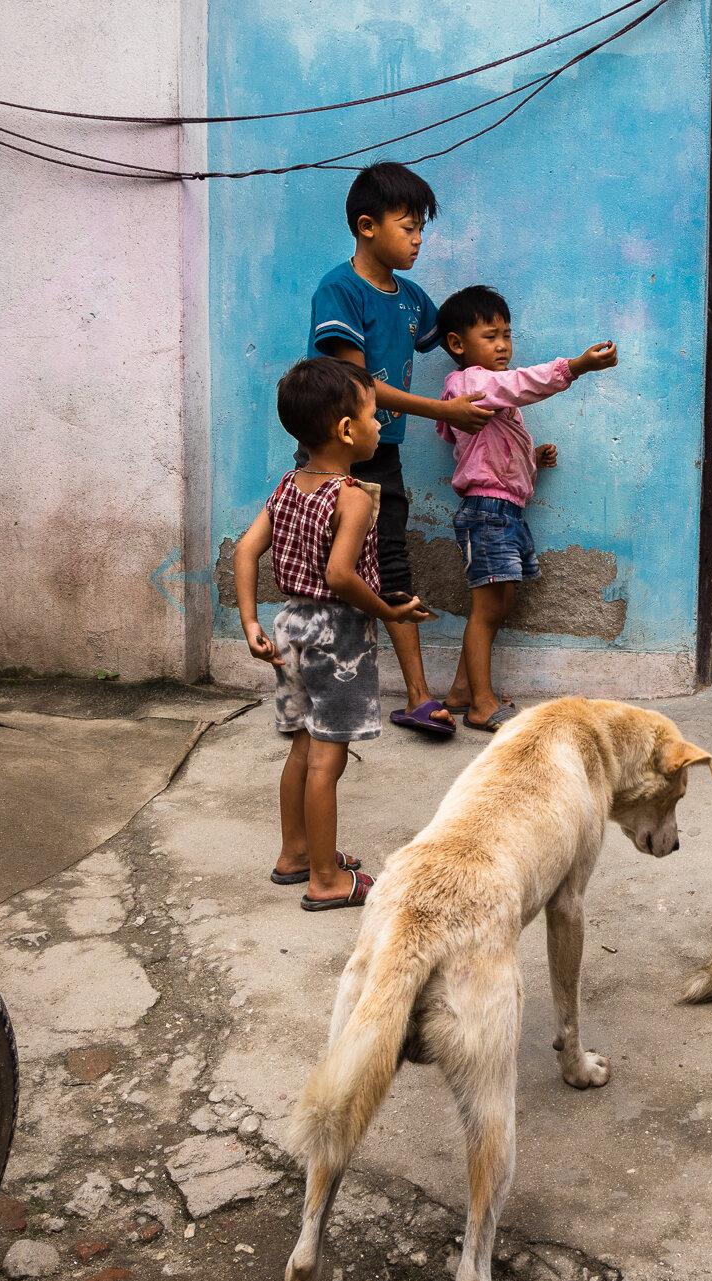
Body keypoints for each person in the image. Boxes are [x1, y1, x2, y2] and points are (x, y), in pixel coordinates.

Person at [234, 357, 436, 909]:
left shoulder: (288, 486)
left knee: (303, 743)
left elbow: (246, 550)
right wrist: (390, 614)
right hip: (338, 637)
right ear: (346, 430)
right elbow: (341, 576)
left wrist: (251, 623)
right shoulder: (351, 496)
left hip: (292, 626)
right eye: (375, 416)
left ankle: (295, 854)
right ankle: (326, 879)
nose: (380, 426)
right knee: (330, 758)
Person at [309, 161, 493, 738]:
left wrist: (502, 361)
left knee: (393, 562)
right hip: (332, 455)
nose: (418, 240)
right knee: (327, 568)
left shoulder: (412, 298)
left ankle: (418, 697)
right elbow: (360, 384)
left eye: (421, 229)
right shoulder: (339, 290)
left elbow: (455, 339)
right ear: (367, 226)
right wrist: (444, 411)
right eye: (408, 228)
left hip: (382, 451)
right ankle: (320, 685)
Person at [430, 285, 619, 731]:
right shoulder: (470, 384)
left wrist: (531, 459)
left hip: (505, 512)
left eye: (507, 335)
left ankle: (461, 690)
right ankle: (481, 703)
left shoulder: (485, 391)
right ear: (457, 345)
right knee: (486, 609)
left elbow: (486, 450)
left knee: (501, 604)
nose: (503, 345)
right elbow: (517, 386)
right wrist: (575, 367)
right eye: (491, 336)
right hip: (487, 512)